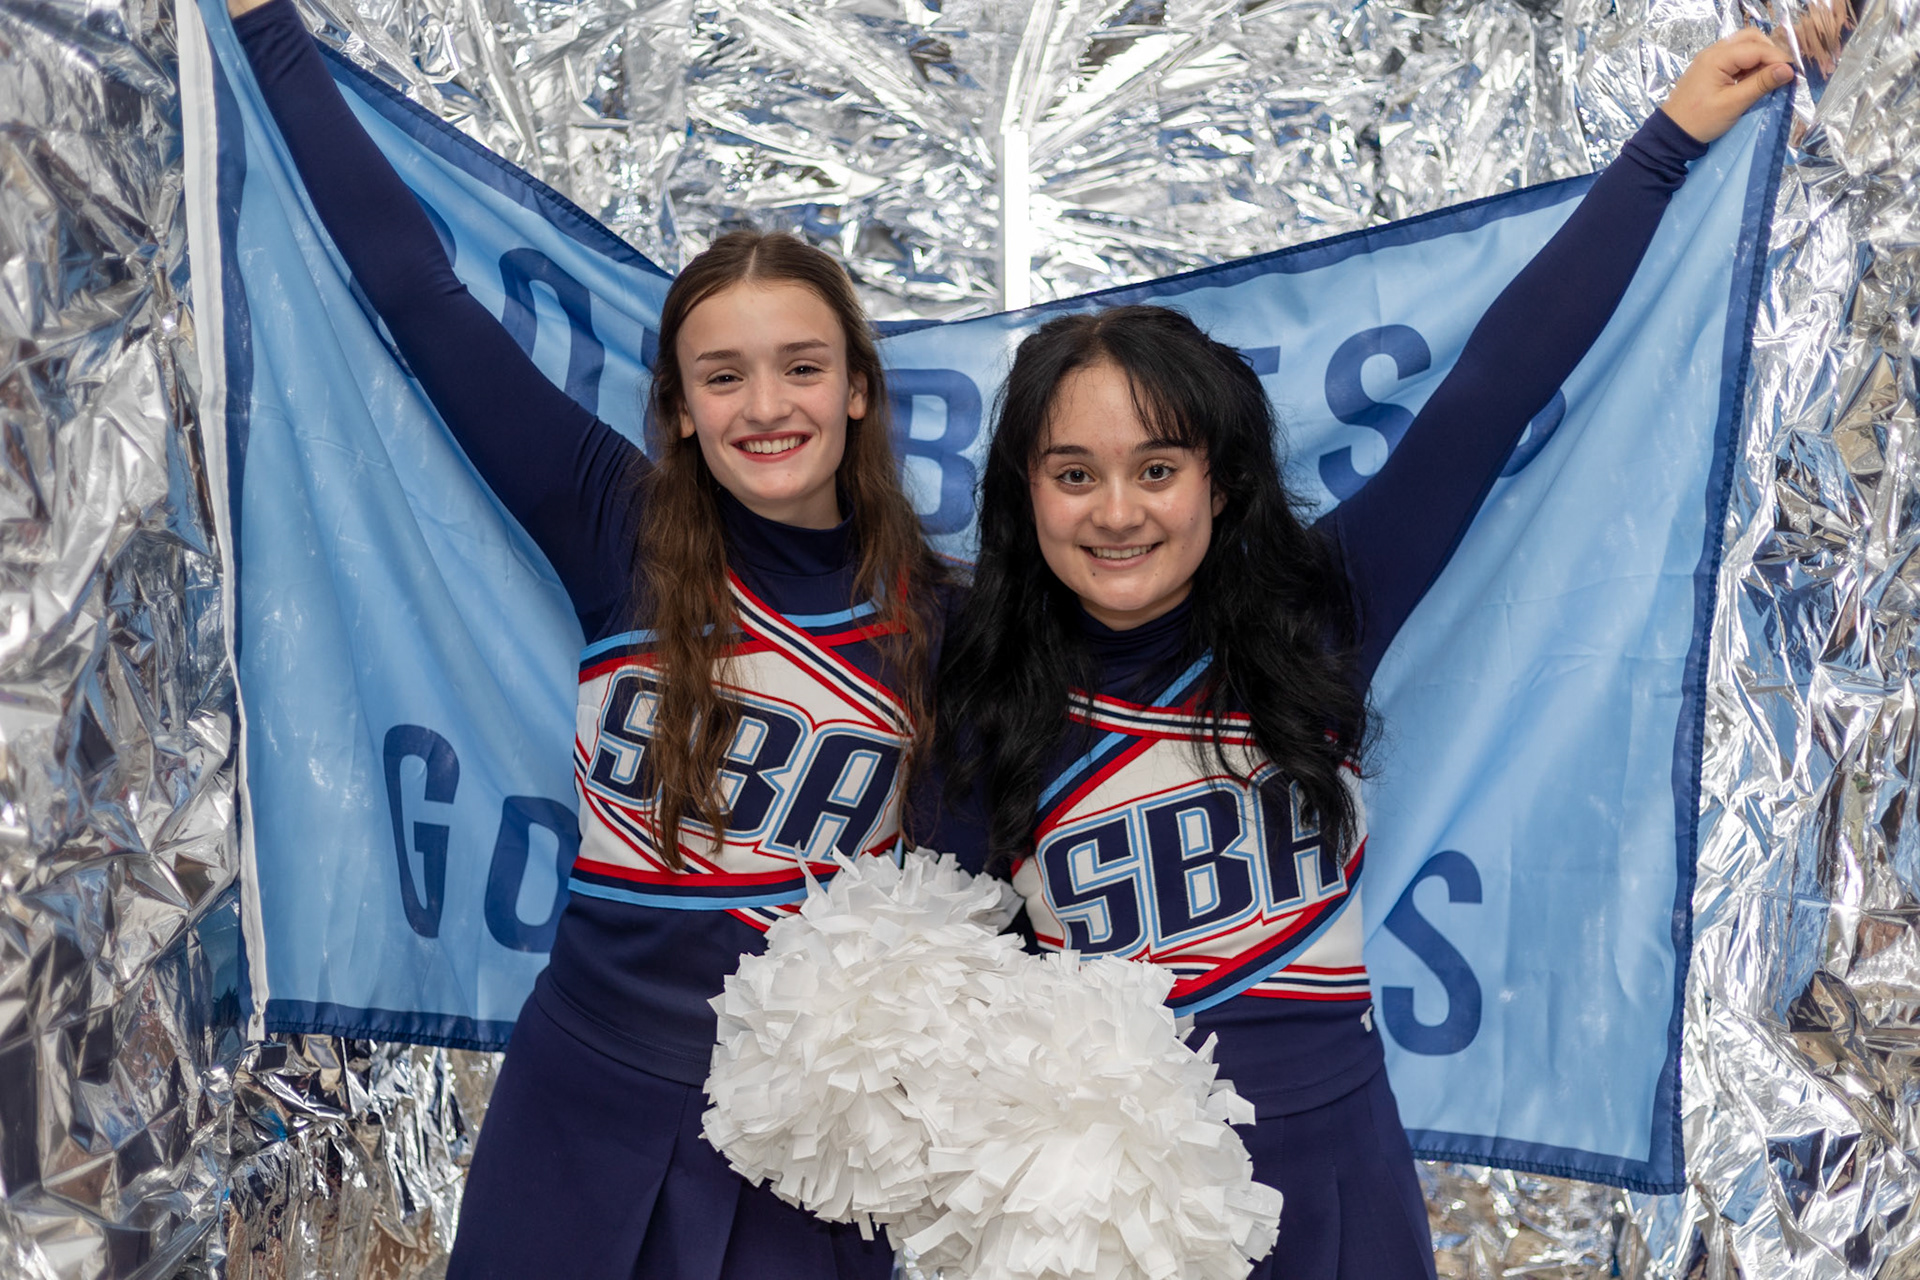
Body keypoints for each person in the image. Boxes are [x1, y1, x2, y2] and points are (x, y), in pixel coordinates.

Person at [935, 31, 1795, 1280]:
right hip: (1101, 1223)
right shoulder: (977, 681)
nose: (1117, 511)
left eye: (1157, 468)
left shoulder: (1319, 611)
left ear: (1221, 482)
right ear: (1025, 494)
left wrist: (1666, 148)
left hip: (1337, 1183)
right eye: (1075, 474)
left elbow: (1493, 390)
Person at [228, 0, 949, 1275]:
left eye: (801, 366)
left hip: (818, 1148)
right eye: (723, 376)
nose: (766, 405)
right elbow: (417, 295)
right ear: (678, 408)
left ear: (858, 389)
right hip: (580, 1100)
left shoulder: (953, 619)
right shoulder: (615, 521)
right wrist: (261, 26)